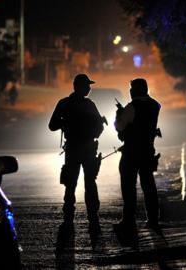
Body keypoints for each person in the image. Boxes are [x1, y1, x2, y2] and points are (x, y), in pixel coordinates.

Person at [48, 74, 104, 235]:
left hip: (74, 149)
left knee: (71, 185)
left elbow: (52, 125)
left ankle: (69, 220)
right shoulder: (88, 105)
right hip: (85, 149)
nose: (89, 88)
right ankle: (93, 220)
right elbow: (99, 127)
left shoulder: (65, 103)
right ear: (79, 87)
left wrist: (66, 122)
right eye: (87, 86)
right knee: (88, 184)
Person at [114, 78, 161, 237]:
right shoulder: (155, 105)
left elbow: (120, 126)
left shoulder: (131, 107)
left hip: (131, 152)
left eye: (131, 89)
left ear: (133, 91)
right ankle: (153, 219)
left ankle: (128, 220)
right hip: (148, 149)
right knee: (148, 185)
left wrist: (119, 115)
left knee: (128, 186)